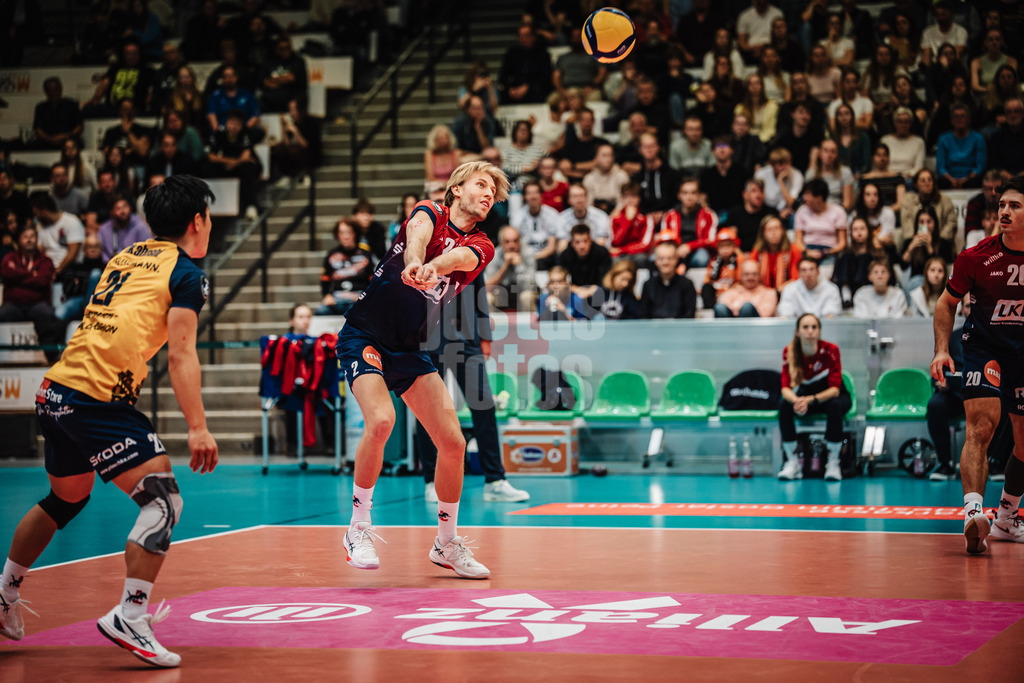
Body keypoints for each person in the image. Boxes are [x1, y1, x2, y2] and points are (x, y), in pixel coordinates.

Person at [0, 176, 218, 666]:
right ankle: (130, 616)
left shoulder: (127, 256)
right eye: (209, 217)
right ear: (196, 222)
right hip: (94, 398)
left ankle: (3, 595)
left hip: (54, 390)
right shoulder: (186, 274)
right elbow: (182, 355)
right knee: (162, 502)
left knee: (66, 497)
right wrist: (198, 426)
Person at [335, 160, 508, 579]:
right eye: (480, 184)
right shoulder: (430, 211)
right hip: (364, 335)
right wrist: (416, 261)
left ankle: (446, 543)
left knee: (453, 442)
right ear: (456, 188)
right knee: (381, 422)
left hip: (410, 348)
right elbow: (417, 237)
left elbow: (462, 259)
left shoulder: (484, 244)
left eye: (494, 191)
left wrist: (435, 268)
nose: (488, 194)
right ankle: (358, 528)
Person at [930, 175, 1024, 554]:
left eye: (1014, 206)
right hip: (985, 348)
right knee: (981, 426)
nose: (1004, 211)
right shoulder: (977, 256)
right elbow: (945, 303)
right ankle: (972, 514)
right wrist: (941, 350)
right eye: (1001, 205)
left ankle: (1005, 518)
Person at [417, 272, 530, 504]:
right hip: (429, 339)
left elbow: (479, 295)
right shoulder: (425, 247)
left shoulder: (470, 247)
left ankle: (495, 481)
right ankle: (431, 481)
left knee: (484, 405)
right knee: (428, 411)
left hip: (467, 339)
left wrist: (485, 338)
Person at [777, 313, 852, 481]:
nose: (810, 331)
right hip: (806, 396)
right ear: (797, 331)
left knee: (835, 406)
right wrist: (797, 401)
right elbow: (785, 388)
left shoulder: (831, 350)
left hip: (831, 395)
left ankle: (833, 463)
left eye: (814, 327)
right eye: (805, 327)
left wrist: (810, 400)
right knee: (784, 405)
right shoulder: (789, 352)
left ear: (819, 331)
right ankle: (792, 462)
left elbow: (834, 389)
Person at [318, 218, 372, 316]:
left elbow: (372, 280)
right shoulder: (331, 254)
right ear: (337, 235)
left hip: (358, 299)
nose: (345, 236)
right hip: (336, 300)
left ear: (355, 234)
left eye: (349, 232)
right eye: (342, 233)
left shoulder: (365, 254)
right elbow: (325, 279)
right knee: (321, 311)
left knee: (358, 311)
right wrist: (327, 295)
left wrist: (365, 297)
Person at [793, 177, 848, 262]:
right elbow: (798, 241)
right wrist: (807, 252)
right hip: (808, 248)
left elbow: (842, 242)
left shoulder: (838, 211)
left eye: (808, 194)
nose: (804, 198)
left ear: (819, 198)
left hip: (830, 250)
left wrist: (828, 252)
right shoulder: (801, 211)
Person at [899, 168, 956, 250]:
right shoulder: (908, 201)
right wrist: (919, 239)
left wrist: (938, 241)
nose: (927, 183)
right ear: (916, 184)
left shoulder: (945, 200)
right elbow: (907, 226)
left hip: (940, 243)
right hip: (916, 242)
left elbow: (952, 223)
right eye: (923, 180)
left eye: (930, 180)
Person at [484, 225, 537, 312]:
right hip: (501, 293)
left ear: (520, 241)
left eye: (515, 241)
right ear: (501, 243)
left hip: (522, 291)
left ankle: (528, 326)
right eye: (507, 242)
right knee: (488, 297)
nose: (512, 245)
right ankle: (489, 325)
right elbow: (488, 287)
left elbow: (530, 286)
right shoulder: (494, 255)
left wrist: (519, 265)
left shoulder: (528, 253)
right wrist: (505, 265)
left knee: (527, 297)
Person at [639, 241, 697, 319]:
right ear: (656, 261)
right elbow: (644, 315)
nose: (665, 262)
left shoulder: (687, 285)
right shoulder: (648, 285)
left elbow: (689, 315)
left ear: (676, 260)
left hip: (679, 329)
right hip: (654, 329)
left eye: (670, 258)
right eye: (661, 259)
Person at [936, 103, 987, 190]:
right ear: (952, 120)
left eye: (962, 116)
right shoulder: (943, 139)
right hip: (948, 178)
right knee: (940, 182)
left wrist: (965, 180)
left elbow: (980, 166)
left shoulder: (978, 138)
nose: (959, 120)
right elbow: (940, 167)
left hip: (971, 178)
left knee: (978, 180)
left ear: (968, 119)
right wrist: (952, 180)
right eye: (956, 117)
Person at [499, 24, 552, 105]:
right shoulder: (512, 52)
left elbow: (545, 77)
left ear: (533, 37)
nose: (523, 39)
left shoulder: (543, 54)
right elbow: (503, 74)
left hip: (534, 90)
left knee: (539, 91)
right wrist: (510, 89)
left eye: (526, 36)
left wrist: (528, 87)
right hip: (514, 89)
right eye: (521, 36)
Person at [510, 181, 559, 269]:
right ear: (524, 197)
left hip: (546, 256)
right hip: (524, 256)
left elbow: (551, 247)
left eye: (536, 193)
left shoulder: (552, 214)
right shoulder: (517, 217)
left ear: (541, 195)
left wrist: (535, 257)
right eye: (529, 193)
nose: (533, 196)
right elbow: (515, 243)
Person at [901, 206, 955, 285]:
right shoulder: (910, 241)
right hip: (917, 281)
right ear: (917, 224)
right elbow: (903, 266)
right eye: (921, 222)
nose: (925, 226)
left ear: (934, 224)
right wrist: (911, 247)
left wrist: (929, 246)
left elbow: (942, 267)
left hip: (937, 281)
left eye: (929, 222)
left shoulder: (944, 243)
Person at [777, 256, 842, 319]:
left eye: (811, 269)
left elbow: (831, 316)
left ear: (818, 271)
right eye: (804, 270)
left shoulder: (831, 289)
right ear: (799, 273)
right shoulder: (790, 289)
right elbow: (785, 314)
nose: (808, 274)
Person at [558, 224, 612, 299]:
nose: (582, 246)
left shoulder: (602, 252)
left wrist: (591, 290)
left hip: (598, 291)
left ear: (590, 241)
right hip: (573, 292)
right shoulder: (565, 256)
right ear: (572, 243)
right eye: (577, 242)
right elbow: (560, 280)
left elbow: (607, 278)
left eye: (585, 241)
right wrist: (577, 289)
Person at [750, 214, 801, 293]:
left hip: (786, 292)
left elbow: (796, 279)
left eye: (777, 228)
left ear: (783, 231)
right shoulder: (757, 251)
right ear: (763, 233)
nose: (774, 233)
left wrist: (776, 291)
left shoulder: (793, 250)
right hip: (761, 293)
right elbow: (750, 276)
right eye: (769, 229)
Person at [32, 77, 84, 150]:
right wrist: (50, 139)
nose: (54, 93)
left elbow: (79, 126)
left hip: (68, 139)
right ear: (46, 92)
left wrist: (67, 136)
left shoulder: (72, 104)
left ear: (61, 89)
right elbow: (38, 129)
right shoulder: (40, 108)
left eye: (56, 89)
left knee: (76, 143)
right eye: (51, 90)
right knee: (35, 145)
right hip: (48, 141)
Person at [699, 136, 746, 214]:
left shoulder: (742, 173)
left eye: (725, 145)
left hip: (738, 215)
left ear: (732, 150)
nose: (721, 149)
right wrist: (709, 215)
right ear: (713, 151)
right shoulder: (706, 174)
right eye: (718, 146)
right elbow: (702, 198)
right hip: (713, 215)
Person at [97, 197, 152, 262]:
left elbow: (148, 250)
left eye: (125, 207)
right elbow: (102, 252)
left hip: (135, 265)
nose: (123, 211)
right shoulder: (104, 229)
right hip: (111, 265)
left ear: (130, 208)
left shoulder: (140, 225)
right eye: (118, 208)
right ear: (112, 212)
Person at [556, 184, 610, 250]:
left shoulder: (600, 216)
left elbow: (602, 243)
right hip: (572, 254)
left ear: (586, 198)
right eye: (575, 196)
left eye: (581, 196)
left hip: (595, 254)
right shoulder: (562, 218)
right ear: (568, 200)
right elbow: (562, 246)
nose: (579, 200)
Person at [608, 182, 654, 260]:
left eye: (633, 196)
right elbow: (615, 242)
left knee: (641, 258)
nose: (629, 200)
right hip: (620, 256)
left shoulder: (646, 218)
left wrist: (623, 250)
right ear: (622, 199)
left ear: (639, 198)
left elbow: (645, 245)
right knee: (613, 260)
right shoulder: (615, 218)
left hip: (636, 254)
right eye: (626, 196)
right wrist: (627, 220)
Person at [805, 139, 854, 211]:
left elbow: (847, 203)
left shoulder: (845, 173)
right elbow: (807, 199)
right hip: (815, 211)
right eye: (825, 151)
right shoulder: (811, 174)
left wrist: (833, 214)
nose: (829, 155)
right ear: (820, 153)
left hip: (837, 211)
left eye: (833, 151)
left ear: (836, 155)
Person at [701, 228, 743, 311]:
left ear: (734, 246)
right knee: (706, 288)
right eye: (722, 246)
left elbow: (741, 282)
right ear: (717, 248)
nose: (725, 249)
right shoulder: (713, 262)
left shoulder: (739, 260)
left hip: (733, 293)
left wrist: (726, 292)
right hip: (717, 293)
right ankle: (710, 312)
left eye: (728, 245)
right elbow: (708, 280)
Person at [754, 148, 803, 220]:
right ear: (772, 165)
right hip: (766, 210)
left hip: (787, 211)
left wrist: (780, 182)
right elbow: (757, 198)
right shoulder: (761, 175)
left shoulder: (797, 175)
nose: (785, 167)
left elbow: (790, 202)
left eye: (787, 163)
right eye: (780, 164)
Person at [582, 143, 630, 215]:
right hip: (595, 216)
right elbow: (588, 204)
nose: (608, 159)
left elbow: (623, 201)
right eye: (604, 155)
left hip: (617, 215)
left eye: (610, 155)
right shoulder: (589, 179)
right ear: (595, 159)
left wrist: (614, 216)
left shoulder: (621, 176)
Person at [879, 108, 925, 178]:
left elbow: (919, 168)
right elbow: (880, 164)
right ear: (895, 123)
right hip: (888, 177)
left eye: (906, 122)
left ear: (910, 123)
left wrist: (904, 175)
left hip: (910, 179)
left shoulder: (919, 142)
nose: (903, 125)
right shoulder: (885, 140)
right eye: (900, 122)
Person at [988, 98, 1024, 176]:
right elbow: (994, 163)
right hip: (1003, 179)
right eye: (1009, 112)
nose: (1013, 115)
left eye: (1016, 111)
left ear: (1022, 114)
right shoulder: (996, 137)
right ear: (1005, 115)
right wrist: (1009, 176)